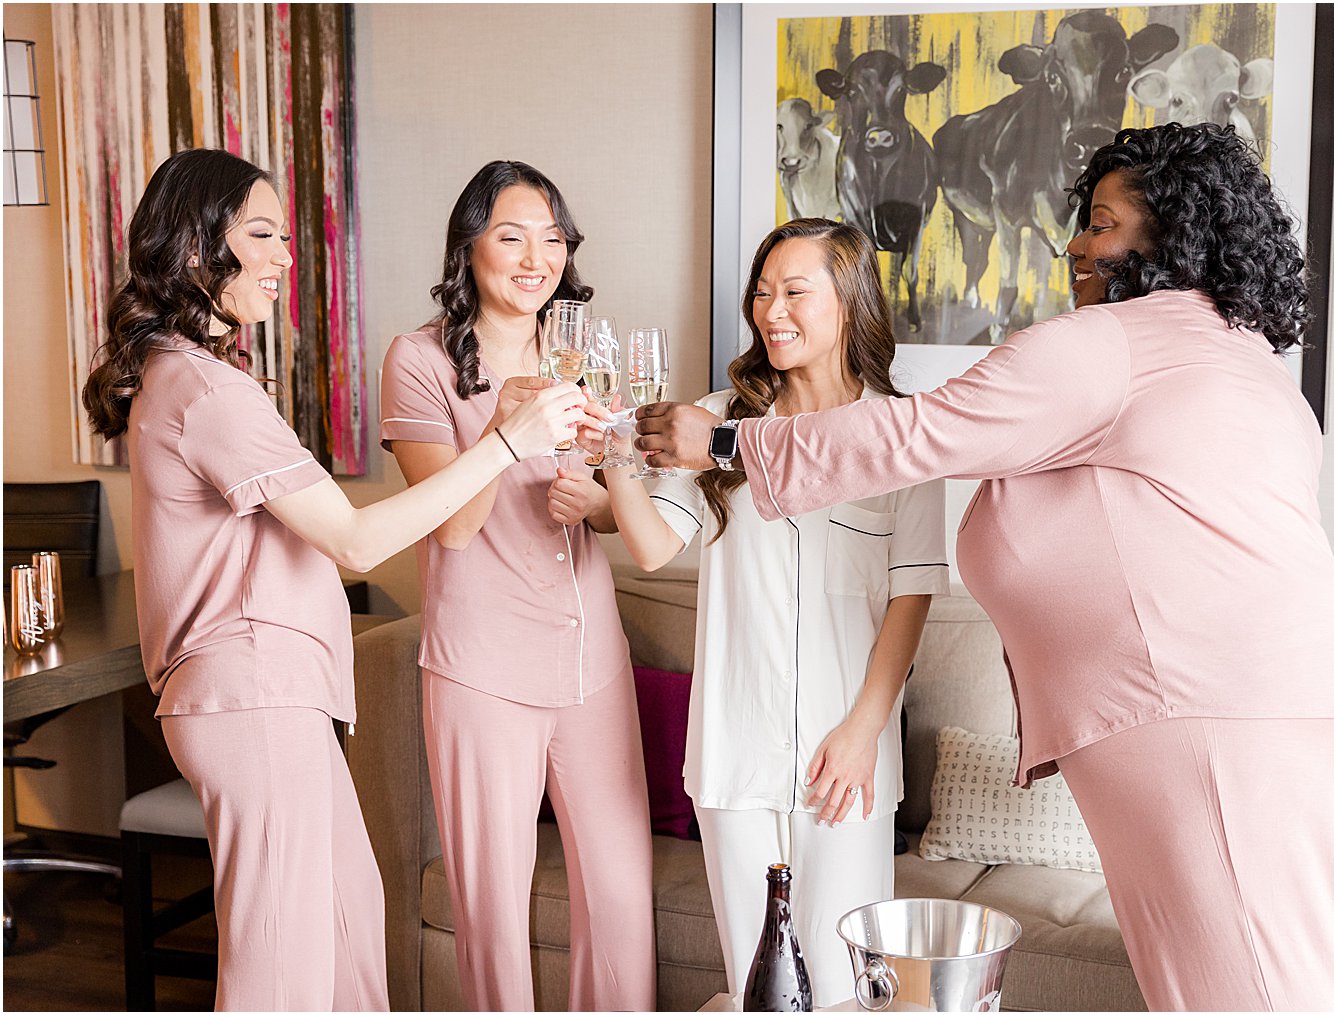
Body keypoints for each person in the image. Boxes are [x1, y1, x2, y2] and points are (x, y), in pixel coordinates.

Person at [631, 124, 1334, 1012]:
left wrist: (725, 438)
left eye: (1103, 223)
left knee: (1254, 989)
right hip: (1277, 695)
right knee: (1239, 975)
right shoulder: (1246, 360)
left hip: (1208, 709)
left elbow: (915, 434)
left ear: (1170, 233)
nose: (1076, 242)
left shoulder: (1112, 346)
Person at [80, 148, 589, 1011]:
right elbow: (356, 538)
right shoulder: (205, 390)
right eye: (264, 235)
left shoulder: (191, 378)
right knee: (281, 970)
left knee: (351, 931)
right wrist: (507, 445)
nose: (285, 256)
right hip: (251, 698)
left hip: (271, 698)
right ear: (199, 250)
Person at [603, 218, 946, 1005]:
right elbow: (653, 545)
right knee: (760, 987)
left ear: (849, 302)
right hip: (735, 749)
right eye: (763, 292)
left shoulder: (901, 433)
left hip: (845, 755)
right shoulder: (716, 417)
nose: (772, 310)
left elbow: (912, 592)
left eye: (795, 291)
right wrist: (617, 455)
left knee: (841, 988)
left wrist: (864, 732)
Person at [379, 160, 656, 1011]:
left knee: (618, 904)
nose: (536, 258)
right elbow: (452, 528)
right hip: (482, 671)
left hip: (590, 663)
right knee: (492, 914)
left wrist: (597, 501)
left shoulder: (585, 352)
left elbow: (623, 503)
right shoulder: (419, 360)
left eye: (552, 239)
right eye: (511, 236)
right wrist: (507, 425)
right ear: (468, 248)